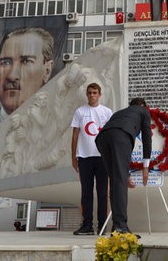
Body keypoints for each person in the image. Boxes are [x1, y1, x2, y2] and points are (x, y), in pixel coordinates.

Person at [0, 26, 56, 169]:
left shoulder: (55, 127)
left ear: (47, 70)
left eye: (26, 61)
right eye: (6, 63)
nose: (11, 75)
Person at [95, 98, 152, 235]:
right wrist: (146, 166)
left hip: (102, 139)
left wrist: (125, 174)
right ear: (143, 106)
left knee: (115, 181)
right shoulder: (143, 112)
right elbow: (147, 138)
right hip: (121, 137)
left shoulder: (120, 113)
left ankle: (117, 226)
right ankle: (120, 227)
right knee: (119, 182)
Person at [71, 83, 113, 235]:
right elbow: (75, 134)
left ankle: (102, 226)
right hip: (84, 157)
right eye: (89, 93)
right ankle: (87, 225)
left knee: (103, 193)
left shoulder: (107, 112)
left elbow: (111, 135)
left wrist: (111, 155)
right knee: (86, 193)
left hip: (102, 158)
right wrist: (73, 156)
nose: (92, 95)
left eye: (95, 92)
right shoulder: (80, 112)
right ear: (86, 94)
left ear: (100, 94)